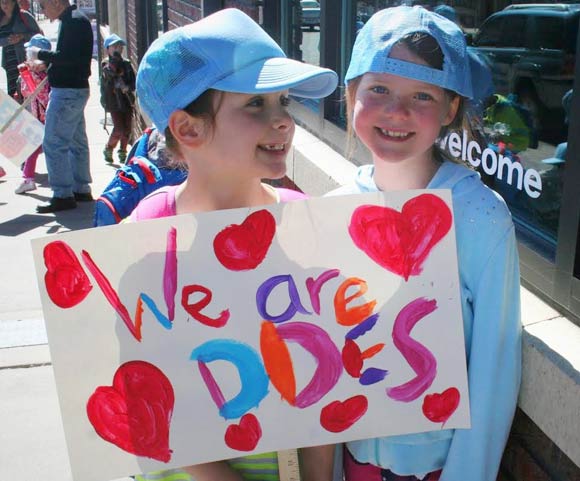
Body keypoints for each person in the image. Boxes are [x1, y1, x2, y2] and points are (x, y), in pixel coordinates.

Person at [129, 8, 338, 481]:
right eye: (255, 106)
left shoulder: (298, 219)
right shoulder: (150, 229)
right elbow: (145, 388)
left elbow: (324, 373)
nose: (284, 121)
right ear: (188, 129)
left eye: (283, 102)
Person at [328, 6, 521, 481]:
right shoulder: (330, 209)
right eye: (379, 89)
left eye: (421, 95)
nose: (397, 112)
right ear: (351, 92)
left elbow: (495, 370)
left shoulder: (480, 217)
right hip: (348, 461)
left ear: (451, 108)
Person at [27, 0, 93, 213]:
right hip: (75, 89)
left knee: (54, 143)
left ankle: (63, 194)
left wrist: (40, 54)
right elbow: (72, 57)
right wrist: (48, 64)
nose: (43, 11)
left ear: (56, 2)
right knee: (76, 141)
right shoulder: (76, 20)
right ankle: (81, 188)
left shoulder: (72, 22)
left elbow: (67, 57)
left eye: (43, 5)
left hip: (67, 92)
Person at [14, 33, 51, 194]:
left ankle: (28, 179)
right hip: (42, 115)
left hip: (41, 116)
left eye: (29, 53)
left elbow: (28, 91)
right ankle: (28, 178)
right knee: (38, 148)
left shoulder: (33, 75)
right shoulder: (45, 74)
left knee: (37, 148)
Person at [100, 33, 135, 164]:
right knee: (118, 128)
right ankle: (109, 148)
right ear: (107, 49)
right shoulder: (106, 64)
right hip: (114, 101)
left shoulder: (127, 64)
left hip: (126, 101)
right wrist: (115, 59)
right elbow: (110, 73)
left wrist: (128, 87)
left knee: (127, 129)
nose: (118, 49)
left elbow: (133, 81)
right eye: (114, 46)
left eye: (120, 46)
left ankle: (123, 151)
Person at [0, 0, 40, 99]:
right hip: (9, 64)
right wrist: (8, 41)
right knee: (14, 93)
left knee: (28, 92)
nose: (4, 5)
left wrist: (22, 36)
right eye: (2, 2)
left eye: (7, 2)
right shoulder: (1, 19)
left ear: (14, 3)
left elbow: (38, 35)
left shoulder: (24, 16)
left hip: (25, 60)